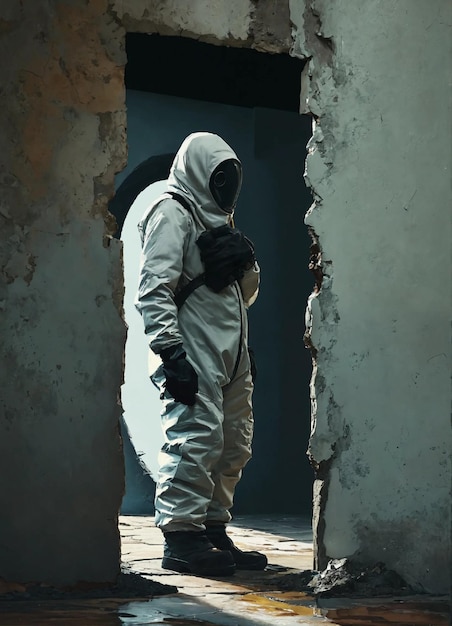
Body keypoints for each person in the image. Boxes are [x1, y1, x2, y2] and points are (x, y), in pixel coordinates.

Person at [135, 132, 267, 577]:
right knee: (195, 439)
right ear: (198, 172)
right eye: (219, 177)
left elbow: (242, 298)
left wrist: (246, 263)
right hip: (192, 351)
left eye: (231, 178)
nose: (227, 187)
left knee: (232, 444)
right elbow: (154, 290)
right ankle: (181, 537)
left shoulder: (217, 221)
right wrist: (171, 353)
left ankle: (211, 530)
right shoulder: (172, 213)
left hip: (230, 354)